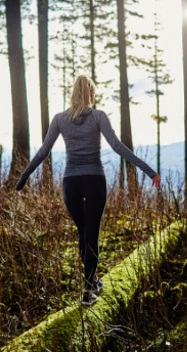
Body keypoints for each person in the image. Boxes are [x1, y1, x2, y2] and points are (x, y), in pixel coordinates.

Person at [15, 75, 160, 306]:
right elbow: (118, 147)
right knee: (91, 234)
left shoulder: (60, 119)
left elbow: (44, 150)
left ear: (73, 94)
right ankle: (87, 291)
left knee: (83, 233)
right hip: (94, 180)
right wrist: (149, 170)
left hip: (71, 183)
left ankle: (92, 280)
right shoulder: (98, 116)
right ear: (90, 94)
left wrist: (24, 177)